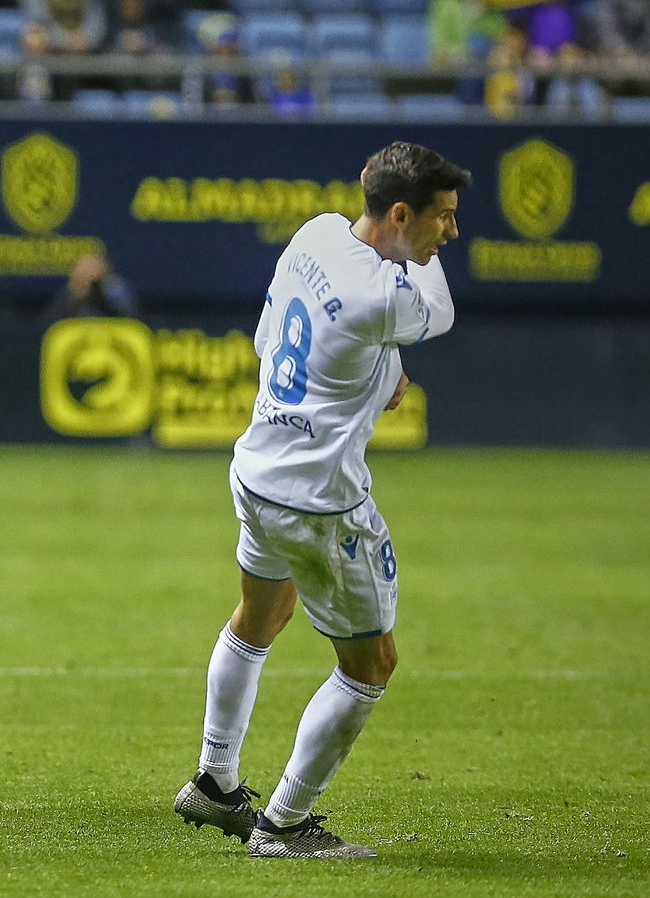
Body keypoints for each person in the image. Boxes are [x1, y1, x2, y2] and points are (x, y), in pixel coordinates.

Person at [173, 142, 469, 859]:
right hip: (320, 503)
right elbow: (439, 307)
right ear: (402, 213)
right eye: (443, 218)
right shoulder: (384, 294)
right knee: (372, 664)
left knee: (261, 612)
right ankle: (283, 824)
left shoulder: (315, 234)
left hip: (258, 468)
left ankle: (215, 781)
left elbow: (266, 338)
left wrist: (374, 367)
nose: (449, 233)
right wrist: (412, 280)